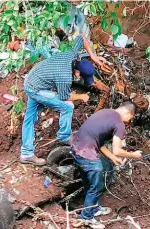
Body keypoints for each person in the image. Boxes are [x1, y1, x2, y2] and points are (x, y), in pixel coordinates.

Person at [20, 34, 106, 165]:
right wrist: (81, 96)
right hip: (35, 88)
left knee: (29, 118)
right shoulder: (65, 76)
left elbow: (82, 37)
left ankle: (26, 154)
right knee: (67, 106)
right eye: (81, 77)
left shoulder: (72, 54)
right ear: (77, 72)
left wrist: (93, 56)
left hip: (33, 79)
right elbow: (65, 97)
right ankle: (64, 136)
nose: (79, 79)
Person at [71, 102, 143, 229]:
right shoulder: (119, 124)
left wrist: (113, 158)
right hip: (87, 154)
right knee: (97, 186)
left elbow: (99, 142)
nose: (128, 121)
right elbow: (117, 150)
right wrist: (133, 154)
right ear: (128, 113)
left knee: (89, 183)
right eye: (130, 118)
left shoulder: (105, 112)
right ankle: (86, 218)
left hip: (76, 149)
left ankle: (94, 208)